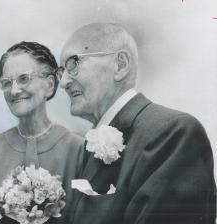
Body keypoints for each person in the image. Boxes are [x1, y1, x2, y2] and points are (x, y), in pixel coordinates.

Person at [57, 23, 216, 224]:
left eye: (73, 63)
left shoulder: (173, 133)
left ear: (120, 65)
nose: (63, 82)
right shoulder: (88, 147)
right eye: (61, 71)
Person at [0, 41, 84, 224]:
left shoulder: (77, 148)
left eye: (24, 79)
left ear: (50, 85)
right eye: (6, 83)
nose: (13, 91)